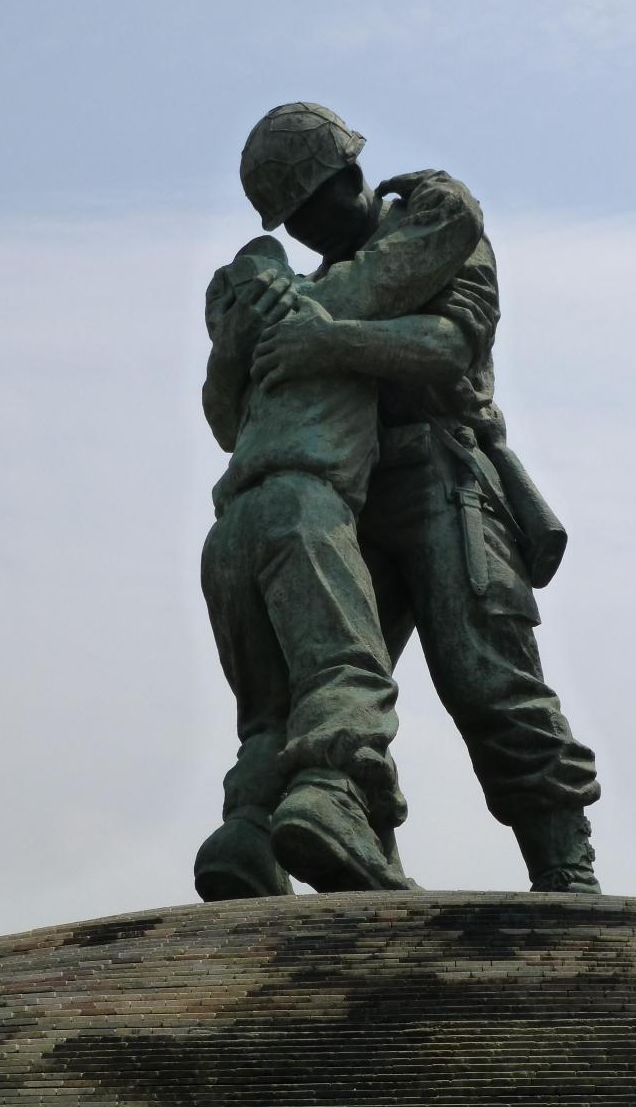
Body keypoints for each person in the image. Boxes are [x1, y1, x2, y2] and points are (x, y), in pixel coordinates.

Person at [247, 102, 602, 893]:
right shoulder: (321, 291)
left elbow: (450, 348)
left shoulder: (441, 236)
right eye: (291, 220)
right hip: (352, 495)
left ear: (351, 180)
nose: (304, 231)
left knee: (490, 678)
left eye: (312, 207)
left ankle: (564, 863)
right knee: (331, 690)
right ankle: (359, 852)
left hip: (448, 479)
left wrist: (329, 342)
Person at [195, 120, 485, 900]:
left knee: (272, 711)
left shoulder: (251, 328)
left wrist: (247, 311)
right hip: (306, 509)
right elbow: (445, 230)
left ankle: (247, 830)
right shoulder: (334, 299)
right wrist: (439, 192)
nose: (305, 233)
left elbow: (222, 417)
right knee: (345, 674)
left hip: (232, 533)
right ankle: (329, 798)